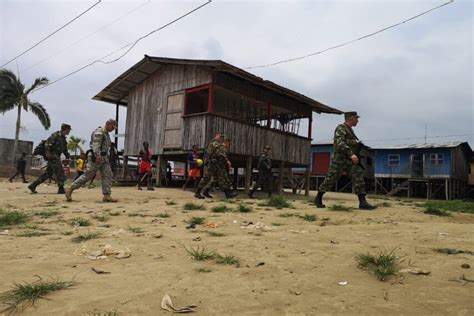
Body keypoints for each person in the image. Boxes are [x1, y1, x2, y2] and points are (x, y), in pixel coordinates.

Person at [315, 112, 376, 210]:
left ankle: (362, 202)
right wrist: (351, 154)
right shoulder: (341, 128)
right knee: (330, 179)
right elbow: (340, 143)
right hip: (339, 160)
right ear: (351, 118)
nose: (358, 120)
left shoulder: (350, 130)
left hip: (350, 162)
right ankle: (318, 198)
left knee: (358, 175)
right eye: (356, 118)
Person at [65, 119, 118, 202]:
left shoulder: (106, 134)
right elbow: (96, 145)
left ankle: (107, 195)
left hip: (104, 158)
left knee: (108, 174)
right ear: (108, 124)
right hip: (96, 157)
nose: (113, 129)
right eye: (113, 127)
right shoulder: (99, 132)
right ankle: (70, 188)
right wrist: (97, 156)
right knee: (87, 175)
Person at [28, 124, 71, 194]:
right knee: (60, 171)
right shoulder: (56, 135)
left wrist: (68, 156)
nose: (69, 131)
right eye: (69, 130)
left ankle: (33, 185)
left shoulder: (63, 138)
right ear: (65, 129)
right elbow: (47, 144)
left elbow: (64, 149)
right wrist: (48, 153)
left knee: (48, 174)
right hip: (53, 156)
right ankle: (61, 188)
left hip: (56, 156)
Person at [195, 132, 237, 199]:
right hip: (212, 164)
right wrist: (227, 161)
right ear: (216, 136)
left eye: (222, 137)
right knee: (207, 178)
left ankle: (227, 194)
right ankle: (198, 192)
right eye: (220, 137)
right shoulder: (215, 143)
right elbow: (220, 153)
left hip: (217, 164)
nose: (221, 138)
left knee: (220, 178)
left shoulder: (218, 144)